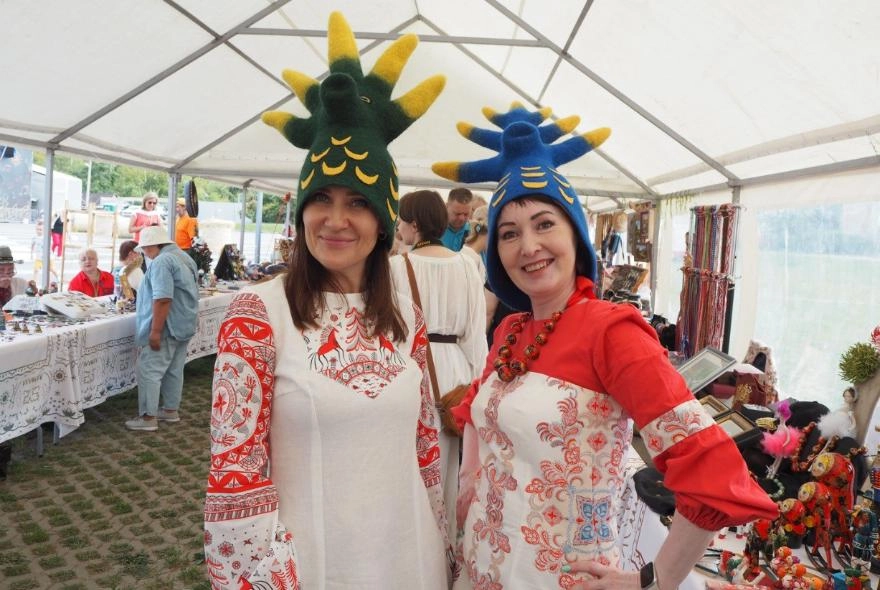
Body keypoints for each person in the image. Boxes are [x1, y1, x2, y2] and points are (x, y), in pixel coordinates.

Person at [432, 104, 778, 589]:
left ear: (576, 234)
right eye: (509, 233)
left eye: (544, 224)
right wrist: (466, 480)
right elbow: (476, 412)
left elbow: (711, 469)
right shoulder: (511, 332)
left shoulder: (611, 332)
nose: (528, 246)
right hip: (479, 568)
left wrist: (654, 580)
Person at [203, 12, 450, 589]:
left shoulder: (405, 315)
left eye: (358, 202)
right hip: (314, 566)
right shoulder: (257, 315)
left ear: (384, 220)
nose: (336, 220)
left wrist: (443, 543)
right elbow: (235, 472)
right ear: (301, 210)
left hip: (409, 559)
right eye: (322, 199)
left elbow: (423, 448)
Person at [390, 189, 488, 544]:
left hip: (409, 370)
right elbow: (476, 334)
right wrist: (478, 386)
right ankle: (444, 545)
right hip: (455, 373)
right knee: (449, 468)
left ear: (414, 224)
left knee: (407, 465)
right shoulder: (467, 265)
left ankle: (411, 542)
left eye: (402, 221)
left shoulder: (394, 268)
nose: (399, 228)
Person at [124, 226, 199, 432]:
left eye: (145, 249)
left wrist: (155, 331)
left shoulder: (161, 262)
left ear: (153, 246)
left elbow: (163, 298)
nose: (145, 253)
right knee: (174, 369)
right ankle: (170, 410)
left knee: (149, 369)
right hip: (184, 322)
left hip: (168, 325)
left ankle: (148, 417)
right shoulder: (184, 257)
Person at [441, 187, 473, 252]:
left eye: (466, 214)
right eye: (457, 214)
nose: (462, 218)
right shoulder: (434, 231)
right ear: (446, 206)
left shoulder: (474, 233)